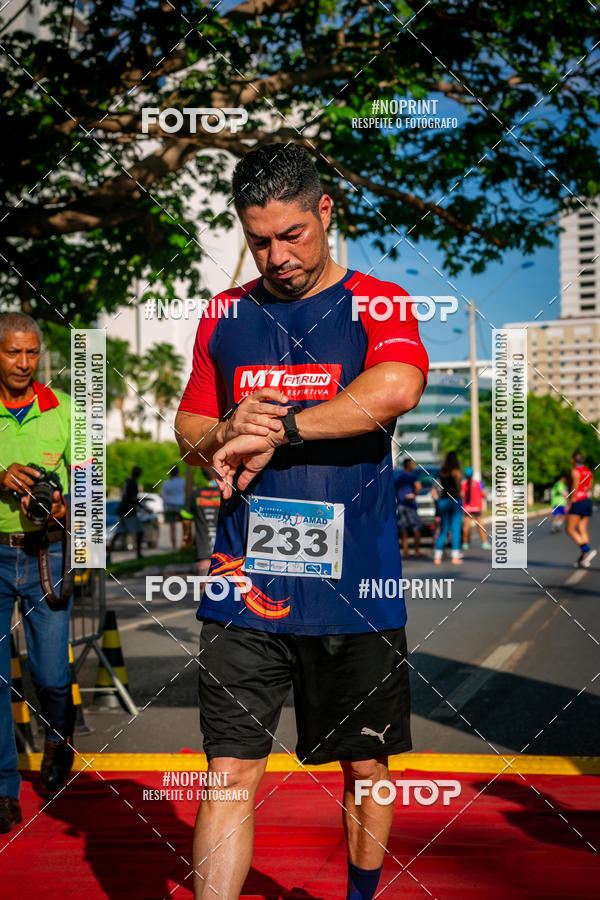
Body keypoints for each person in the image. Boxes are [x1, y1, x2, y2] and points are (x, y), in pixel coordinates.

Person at [175, 143, 429, 900]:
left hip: (357, 593)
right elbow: (188, 425)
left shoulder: (379, 301)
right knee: (227, 772)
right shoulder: (225, 313)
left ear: (325, 210)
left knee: (367, 766)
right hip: (242, 587)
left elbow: (396, 388)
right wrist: (224, 431)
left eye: (292, 234)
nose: (278, 257)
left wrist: (282, 430)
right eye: (259, 241)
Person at [0, 312, 75, 834]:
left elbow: (89, 489)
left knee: (50, 675)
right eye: (13, 352)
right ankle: (4, 789)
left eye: (32, 352)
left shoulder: (66, 410)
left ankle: (57, 736)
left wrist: (63, 508)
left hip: (47, 555)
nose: (24, 363)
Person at [181, 468, 220, 575]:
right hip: (225, 550)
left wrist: (187, 537)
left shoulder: (196, 494)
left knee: (204, 580)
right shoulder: (226, 493)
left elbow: (186, 518)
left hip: (203, 548)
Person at [566, 451, 596, 567]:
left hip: (577, 500)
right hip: (586, 500)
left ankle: (586, 549)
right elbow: (590, 486)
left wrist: (571, 499)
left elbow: (575, 486)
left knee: (570, 529)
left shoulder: (575, 471)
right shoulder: (588, 471)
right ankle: (584, 557)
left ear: (573, 460)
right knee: (582, 529)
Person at [433, 451, 464, 565]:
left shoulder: (442, 471)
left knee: (443, 529)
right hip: (455, 500)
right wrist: (459, 494)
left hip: (443, 500)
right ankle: (455, 557)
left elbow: (437, 485)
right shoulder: (456, 471)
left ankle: (437, 557)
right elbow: (458, 486)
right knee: (455, 529)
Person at [116, 466, 149, 559]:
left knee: (119, 533)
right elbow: (133, 498)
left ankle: (108, 554)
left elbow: (128, 495)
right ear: (138, 474)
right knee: (139, 531)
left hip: (122, 510)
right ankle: (139, 554)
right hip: (129, 511)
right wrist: (144, 508)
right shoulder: (133, 482)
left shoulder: (127, 481)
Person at [394, 457, 424, 557]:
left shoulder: (398, 477)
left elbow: (394, 490)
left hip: (400, 505)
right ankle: (416, 551)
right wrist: (414, 494)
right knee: (416, 527)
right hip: (410, 505)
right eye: (413, 464)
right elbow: (419, 487)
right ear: (408, 465)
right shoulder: (412, 476)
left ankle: (406, 552)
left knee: (403, 528)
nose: (414, 466)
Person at [461, 466, 490, 549]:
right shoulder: (479, 483)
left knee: (466, 526)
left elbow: (461, 495)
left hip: (467, 508)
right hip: (477, 508)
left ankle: (465, 544)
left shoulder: (462, 484)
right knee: (480, 526)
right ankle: (485, 543)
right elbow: (484, 494)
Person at [162, 464, 186, 549]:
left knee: (172, 528)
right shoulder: (183, 482)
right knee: (185, 525)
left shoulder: (167, 483)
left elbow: (164, 498)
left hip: (171, 506)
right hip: (181, 505)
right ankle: (184, 544)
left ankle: (174, 546)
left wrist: (164, 508)